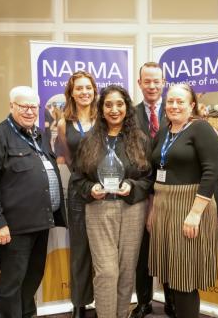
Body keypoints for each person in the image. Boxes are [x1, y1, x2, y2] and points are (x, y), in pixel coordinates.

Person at [0, 86, 66, 317]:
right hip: (14, 226)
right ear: (11, 106)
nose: (30, 111)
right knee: (12, 283)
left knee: (33, 277)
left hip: (41, 221)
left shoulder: (39, 135)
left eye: (34, 106)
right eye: (23, 106)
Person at [73, 85, 153, 318]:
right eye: (108, 104)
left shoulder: (140, 140)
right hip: (98, 209)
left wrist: (132, 186)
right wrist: (91, 189)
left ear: (127, 107)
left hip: (132, 209)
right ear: (101, 108)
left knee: (127, 271)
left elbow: (148, 177)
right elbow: (78, 179)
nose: (114, 109)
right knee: (107, 271)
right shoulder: (89, 140)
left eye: (119, 104)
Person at [148, 83, 218, 318]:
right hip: (164, 205)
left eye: (180, 101)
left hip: (190, 205)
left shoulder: (201, 129)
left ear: (192, 105)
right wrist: (152, 212)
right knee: (170, 274)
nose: (174, 106)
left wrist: (196, 213)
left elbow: (212, 171)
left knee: (184, 276)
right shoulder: (164, 132)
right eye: (170, 101)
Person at [132, 61, 175, 318]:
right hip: (139, 191)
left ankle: (171, 300)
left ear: (163, 83)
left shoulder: (175, 109)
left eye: (156, 81)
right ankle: (144, 301)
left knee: (169, 248)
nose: (152, 85)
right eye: (146, 81)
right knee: (143, 251)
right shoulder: (130, 113)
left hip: (170, 190)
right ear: (139, 83)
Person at [56, 71, 98, 318]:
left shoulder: (104, 118)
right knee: (80, 247)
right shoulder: (64, 123)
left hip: (105, 190)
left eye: (88, 88)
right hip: (78, 191)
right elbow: (69, 159)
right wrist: (82, 180)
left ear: (94, 91)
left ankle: (104, 297)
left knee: (103, 248)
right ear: (71, 92)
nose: (84, 92)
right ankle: (79, 304)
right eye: (79, 88)